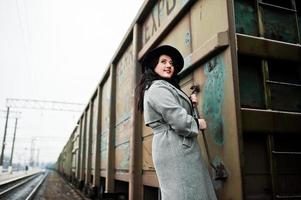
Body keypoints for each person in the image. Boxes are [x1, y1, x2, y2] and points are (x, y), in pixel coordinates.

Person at [136, 45, 217, 200]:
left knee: (189, 192)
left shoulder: (164, 87)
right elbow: (178, 120)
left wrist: (189, 103)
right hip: (174, 146)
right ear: (154, 65)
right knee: (185, 193)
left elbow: (173, 112)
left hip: (176, 145)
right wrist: (198, 123)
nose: (169, 66)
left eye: (171, 63)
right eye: (163, 62)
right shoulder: (157, 87)